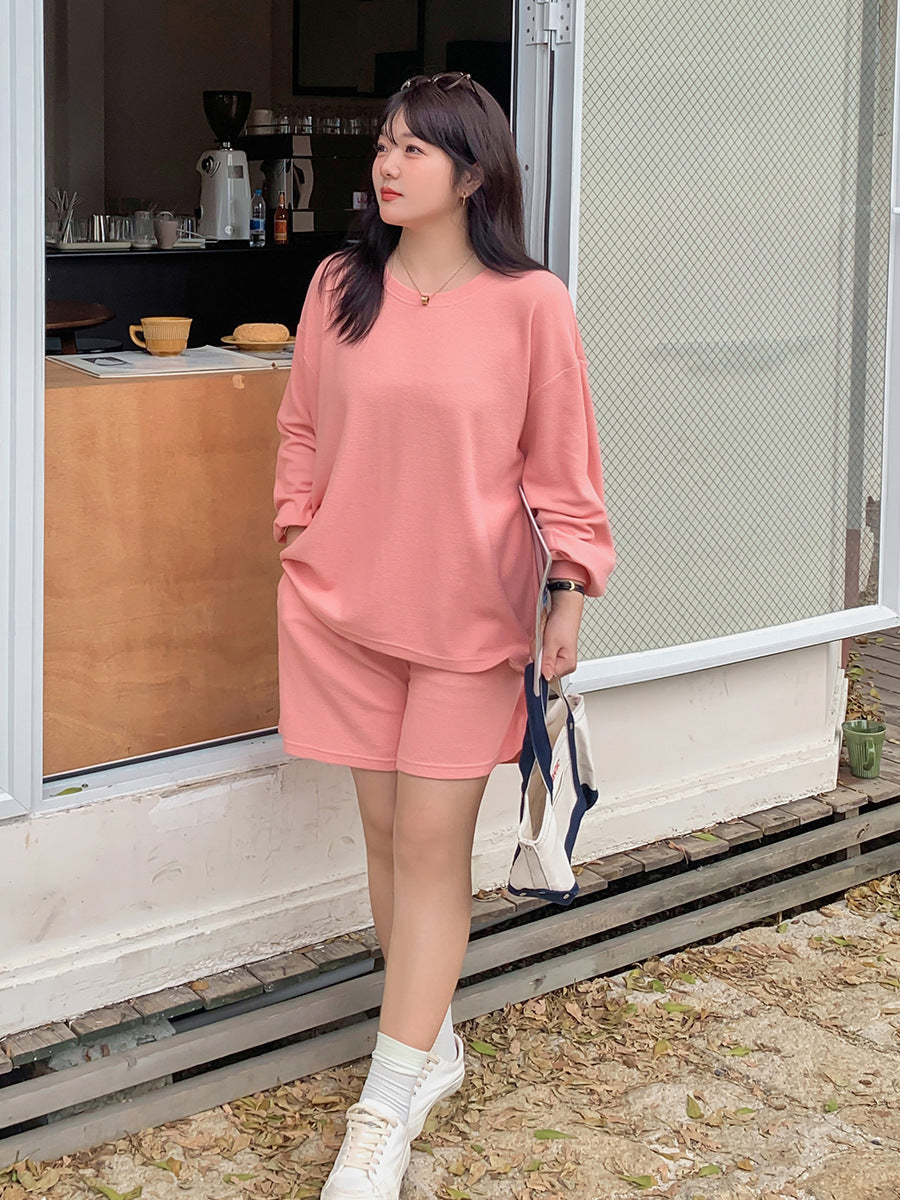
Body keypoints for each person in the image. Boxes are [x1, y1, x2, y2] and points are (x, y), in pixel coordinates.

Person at [272, 70, 616, 1200]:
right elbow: (301, 426)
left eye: (414, 149)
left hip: (469, 621)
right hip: (344, 611)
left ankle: (382, 1110)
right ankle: (427, 1044)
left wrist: (569, 589)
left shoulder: (531, 305)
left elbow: (562, 465)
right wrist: (297, 525)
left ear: (473, 175)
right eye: (383, 143)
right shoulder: (340, 285)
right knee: (384, 841)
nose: (387, 164)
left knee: (429, 845)